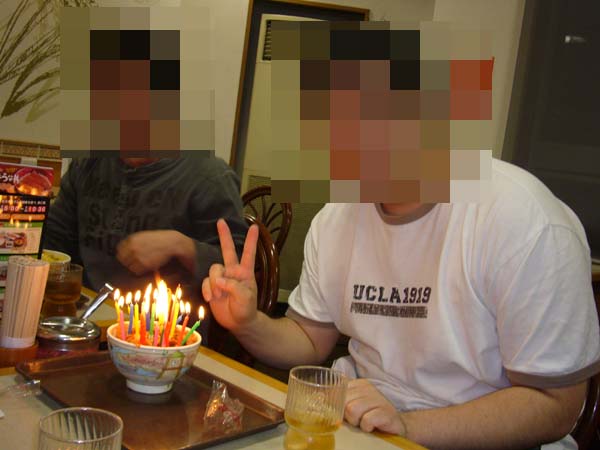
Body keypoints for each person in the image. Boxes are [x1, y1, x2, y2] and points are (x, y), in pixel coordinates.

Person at [202, 157, 600, 449]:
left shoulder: (522, 220)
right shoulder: (337, 217)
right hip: (356, 429)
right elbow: (309, 339)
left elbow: (556, 405)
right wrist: (248, 322)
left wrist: (408, 426)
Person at [44, 155, 248, 294]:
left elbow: (241, 268)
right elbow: (54, 237)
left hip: (167, 329)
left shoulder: (209, 176)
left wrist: (181, 246)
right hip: (86, 312)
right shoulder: (89, 162)